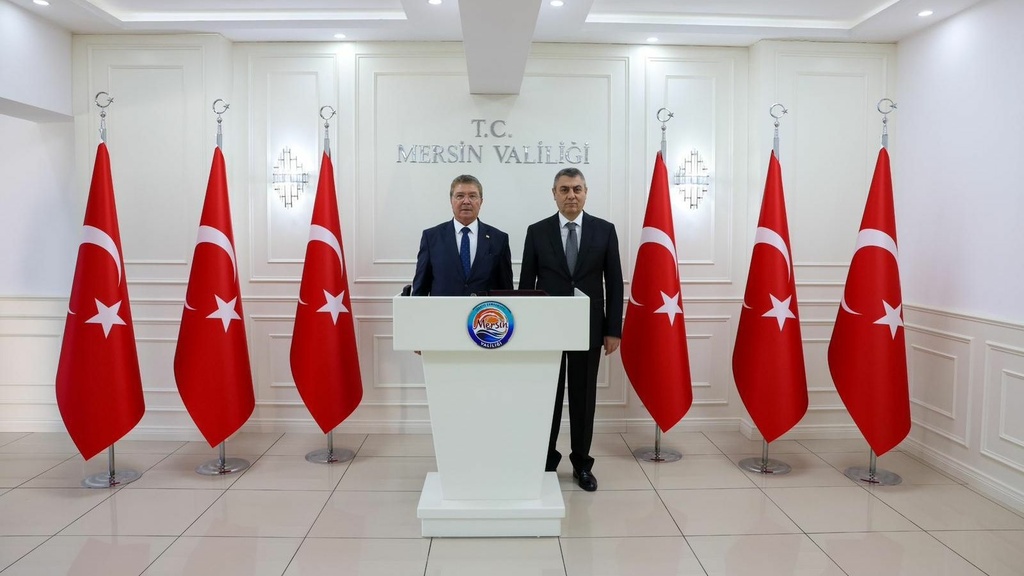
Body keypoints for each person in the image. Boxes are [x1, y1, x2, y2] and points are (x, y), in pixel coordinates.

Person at [519, 167, 623, 492]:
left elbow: (614, 282)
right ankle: (546, 461)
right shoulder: (537, 232)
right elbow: (526, 285)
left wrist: (613, 329)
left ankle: (582, 464)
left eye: (577, 189)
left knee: (583, 399)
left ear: (586, 192)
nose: (571, 195)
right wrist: (525, 331)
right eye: (564, 189)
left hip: (588, 329)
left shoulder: (605, 231)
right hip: (546, 331)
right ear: (554, 194)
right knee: (547, 398)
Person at [412, 174, 513, 296]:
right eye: (460, 196)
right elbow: (420, 289)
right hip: (443, 308)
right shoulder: (431, 238)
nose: (466, 201)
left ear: (481, 202)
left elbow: (506, 291)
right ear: (451, 201)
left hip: (483, 308)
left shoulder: (499, 239)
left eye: (472, 196)